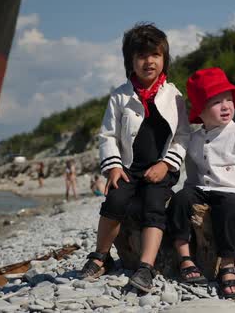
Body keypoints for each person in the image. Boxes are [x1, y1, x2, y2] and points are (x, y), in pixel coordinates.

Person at [78, 23, 190, 293]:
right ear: (130, 61)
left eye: (155, 55)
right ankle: (101, 256)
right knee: (115, 200)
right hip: (128, 167)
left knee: (154, 204)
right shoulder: (120, 96)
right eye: (141, 56)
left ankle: (145, 267)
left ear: (165, 59)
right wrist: (114, 167)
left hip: (160, 168)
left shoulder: (174, 96)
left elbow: (183, 136)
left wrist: (166, 164)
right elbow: (107, 136)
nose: (148, 62)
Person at [167, 67, 235, 298]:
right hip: (204, 189)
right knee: (179, 199)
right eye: (217, 102)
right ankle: (184, 256)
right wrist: (190, 196)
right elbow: (194, 172)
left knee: (228, 209)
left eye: (229, 100)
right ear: (201, 110)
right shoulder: (196, 138)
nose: (226, 106)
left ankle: (227, 264)